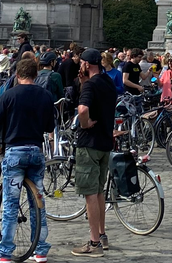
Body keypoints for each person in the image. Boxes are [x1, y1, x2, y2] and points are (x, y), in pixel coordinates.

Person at [0, 57, 53, 263]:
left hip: (15, 152)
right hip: (36, 151)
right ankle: (40, 249)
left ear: (17, 75)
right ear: (36, 75)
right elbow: (50, 126)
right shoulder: (45, 95)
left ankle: (5, 252)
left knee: (11, 203)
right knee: (38, 202)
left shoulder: (9, 95)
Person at [71, 49, 117, 257]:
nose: (79, 65)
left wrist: (84, 123)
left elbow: (82, 109)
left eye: (81, 62)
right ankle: (102, 235)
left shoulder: (90, 85)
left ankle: (94, 243)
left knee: (90, 193)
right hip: (106, 142)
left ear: (87, 65)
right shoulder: (107, 81)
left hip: (89, 142)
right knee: (99, 191)